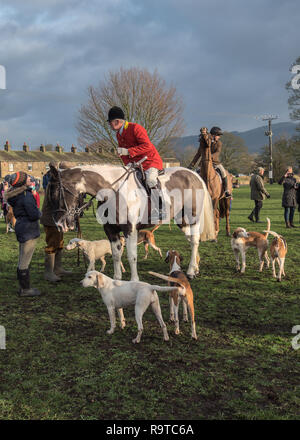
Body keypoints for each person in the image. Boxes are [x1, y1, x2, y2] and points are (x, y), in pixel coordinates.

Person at [107, 106, 166, 222]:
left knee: (150, 180)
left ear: (117, 121)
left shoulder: (136, 128)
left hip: (150, 161)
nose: (109, 125)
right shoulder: (119, 134)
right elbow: (123, 154)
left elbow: (147, 146)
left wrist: (129, 151)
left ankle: (160, 209)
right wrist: (127, 165)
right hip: (136, 164)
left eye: (110, 123)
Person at [4, 171, 41, 296]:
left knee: (22, 258)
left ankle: (23, 286)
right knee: (25, 260)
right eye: (28, 177)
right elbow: (34, 214)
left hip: (22, 227)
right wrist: (39, 213)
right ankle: (25, 289)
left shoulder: (17, 195)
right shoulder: (26, 195)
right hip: (28, 229)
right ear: (22, 182)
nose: (30, 178)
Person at [40, 163, 71, 282]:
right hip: (51, 219)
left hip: (58, 219)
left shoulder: (59, 184)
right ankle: (49, 272)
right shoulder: (54, 185)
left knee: (60, 242)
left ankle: (57, 268)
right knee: (52, 243)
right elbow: (58, 202)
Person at [188, 126, 231, 198]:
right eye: (218, 135)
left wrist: (209, 157)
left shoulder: (219, 143)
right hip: (203, 163)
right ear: (213, 135)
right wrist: (192, 165)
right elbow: (198, 154)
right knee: (195, 173)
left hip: (215, 162)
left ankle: (226, 190)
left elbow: (217, 153)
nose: (219, 137)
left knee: (223, 172)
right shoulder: (205, 142)